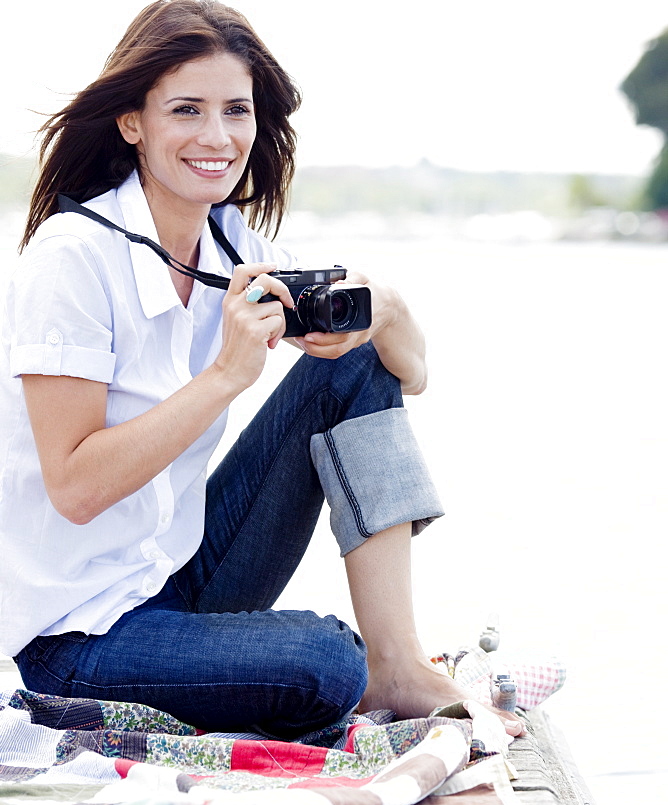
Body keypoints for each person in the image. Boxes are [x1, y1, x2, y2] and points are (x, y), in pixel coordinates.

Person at [0, 0, 524, 739]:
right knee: (322, 665)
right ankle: (362, 667)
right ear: (132, 121)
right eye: (186, 109)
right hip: (77, 639)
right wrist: (224, 375)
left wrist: (390, 308)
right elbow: (76, 488)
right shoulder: (72, 260)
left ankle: (398, 661)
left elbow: (408, 374)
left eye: (235, 111)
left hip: (176, 581)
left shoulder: (230, 241)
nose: (217, 137)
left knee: (353, 364)